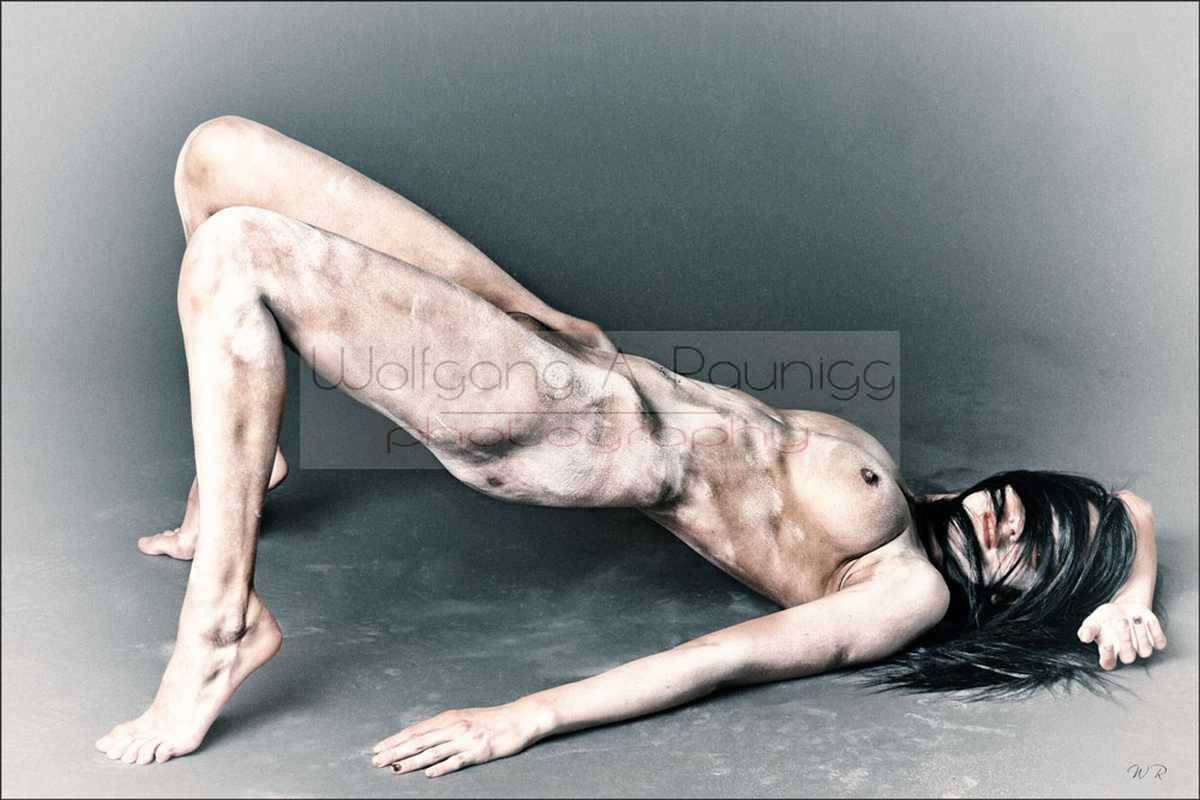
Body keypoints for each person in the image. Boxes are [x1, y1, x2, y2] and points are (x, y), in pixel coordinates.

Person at [96, 116, 1166, 774]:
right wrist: (1129, 594)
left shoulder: (907, 589)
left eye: (1034, 545)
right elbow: (1132, 508)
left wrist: (526, 716)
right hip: (581, 355)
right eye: (1034, 505)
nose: (1012, 516)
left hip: (548, 419)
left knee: (237, 252)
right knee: (216, 158)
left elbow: (723, 659)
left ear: (1023, 597)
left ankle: (222, 623)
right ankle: (243, 455)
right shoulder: (933, 508)